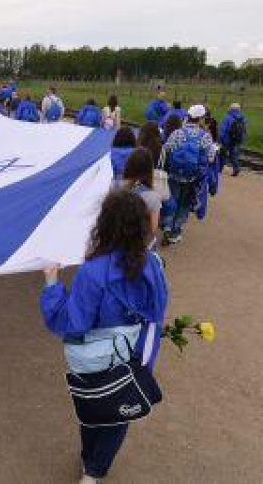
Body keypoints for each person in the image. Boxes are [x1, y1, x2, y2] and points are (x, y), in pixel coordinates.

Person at [40, 190, 168, 484]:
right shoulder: (153, 265)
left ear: (104, 223)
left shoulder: (93, 271)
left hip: (93, 359)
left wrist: (51, 286)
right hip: (133, 357)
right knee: (118, 413)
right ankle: (95, 470)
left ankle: (89, 462)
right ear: (142, 225)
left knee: (92, 405)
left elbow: (73, 323)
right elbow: (156, 314)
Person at [160, 104, 215, 245]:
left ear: (188, 117)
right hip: (192, 178)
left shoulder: (177, 133)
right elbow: (210, 158)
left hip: (174, 175)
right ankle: (175, 231)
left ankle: (166, 226)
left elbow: (166, 150)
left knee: (172, 200)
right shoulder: (205, 137)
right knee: (184, 204)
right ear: (200, 119)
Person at [120, 148, 162, 243]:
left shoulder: (115, 186)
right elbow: (153, 228)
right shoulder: (153, 197)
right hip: (140, 244)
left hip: (118, 239)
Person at [219, 103, 247, 177]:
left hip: (226, 140)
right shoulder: (242, 118)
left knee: (222, 155)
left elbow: (222, 130)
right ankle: (236, 168)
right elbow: (244, 130)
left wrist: (220, 139)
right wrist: (242, 139)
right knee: (234, 155)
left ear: (230, 109)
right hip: (237, 140)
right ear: (239, 109)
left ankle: (219, 169)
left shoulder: (227, 117)